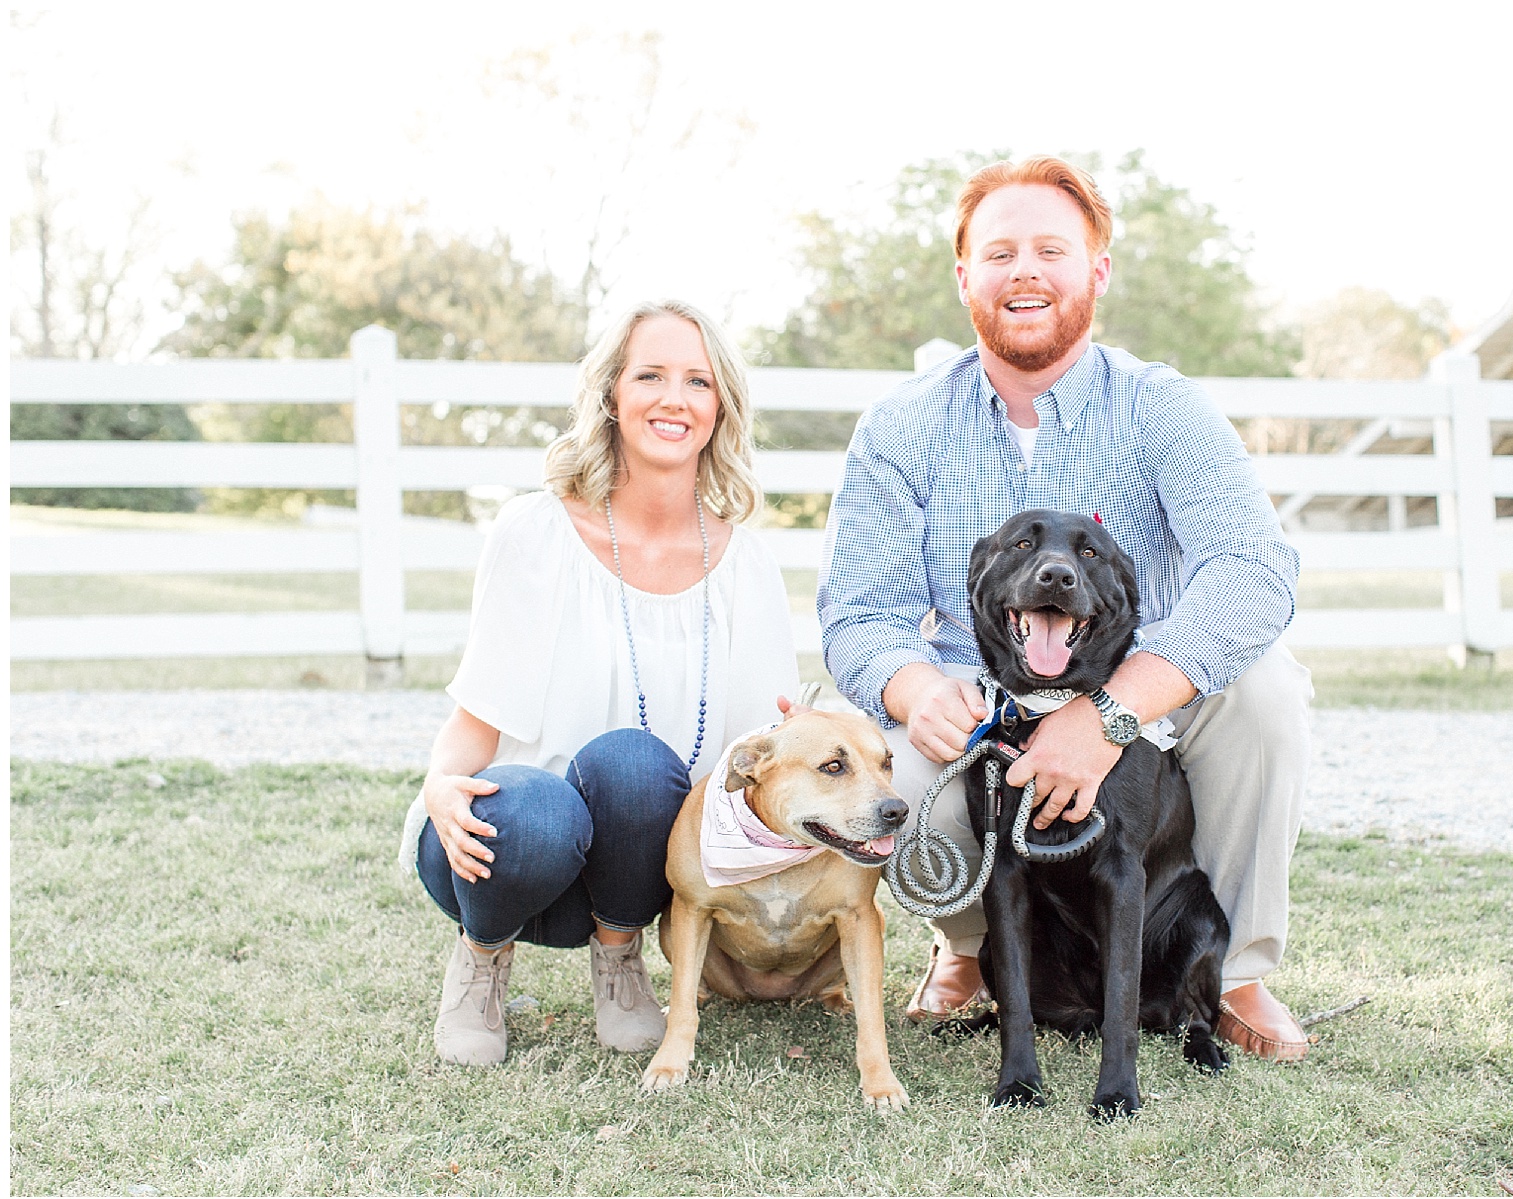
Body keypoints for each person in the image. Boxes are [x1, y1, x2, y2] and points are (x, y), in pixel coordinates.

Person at [817, 157, 1315, 1062]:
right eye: (1000, 252)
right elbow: (857, 613)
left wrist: (1110, 713)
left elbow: (1253, 573)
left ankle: (1233, 971)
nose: (1026, 272)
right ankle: (970, 949)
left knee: (1268, 690)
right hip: (988, 703)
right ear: (965, 276)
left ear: (1097, 271)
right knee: (904, 764)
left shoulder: (1163, 409)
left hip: (1152, 690)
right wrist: (910, 682)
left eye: (1052, 249)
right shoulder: (899, 427)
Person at [400, 299, 800, 1066]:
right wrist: (439, 785)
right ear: (613, 395)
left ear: (720, 409)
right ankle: (480, 961)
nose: (673, 398)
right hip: (507, 854)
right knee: (540, 807)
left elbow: (757, 762)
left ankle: (621, 962)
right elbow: (475, 721)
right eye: (650, 374)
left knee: (637, 764)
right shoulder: (534, 532)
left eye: (697, 381)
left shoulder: (747, 566)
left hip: (639, 870)